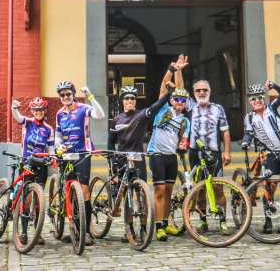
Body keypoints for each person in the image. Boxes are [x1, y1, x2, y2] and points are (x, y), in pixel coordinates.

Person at [108, 78, 173, 242]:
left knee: (141, 194)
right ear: (122, 101)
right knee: (126, 196)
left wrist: (168, 93)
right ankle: (128, 228)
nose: (130, 101)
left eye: (132, 98)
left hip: (137, 159)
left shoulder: (141, 115)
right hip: (122, 160)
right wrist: (112, 167)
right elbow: (110, 144)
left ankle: (143, 227)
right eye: (127, 98)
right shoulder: (116, 120)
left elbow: (156, 106)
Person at [172, 55, 231, 235]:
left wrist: (227, 152)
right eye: (198, 90)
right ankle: (203, 220)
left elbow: (225, 132)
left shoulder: (218, 108)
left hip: (214, 153)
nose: (202, 93)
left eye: (205, 90)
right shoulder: (190, 106)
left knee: (217, 187)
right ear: (194, 92)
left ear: (210, 91)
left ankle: (223, 221)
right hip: (195, 153)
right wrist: (179, 70)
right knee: (199, 188)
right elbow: (180, 90)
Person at [242, 81, 280, 234]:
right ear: (250, 101)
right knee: (269, 186)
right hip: (270, 154)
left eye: (260, 97)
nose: (257, 101)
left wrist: (274, 86)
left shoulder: (274, 108)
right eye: (253, 98)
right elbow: (248, 133)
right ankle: (268, 221)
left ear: (264, 98)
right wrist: (245, 142)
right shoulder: (249, 117)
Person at [54, 80, 105, 245]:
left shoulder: (83, 108)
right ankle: (72, 227)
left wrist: (90, 96)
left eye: (68, 94)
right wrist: (58, 146)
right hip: (66, 155)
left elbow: (100, 115)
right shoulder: (59, 114)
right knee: (68, 191)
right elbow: (58, 135)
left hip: (83, 153)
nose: (65, 97)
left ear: (73, 94)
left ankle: (86, 230)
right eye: (62, 95)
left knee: (84, 192)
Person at [147, 75, 191, 242]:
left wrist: (183, 144)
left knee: (168, 192)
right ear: (171, 100)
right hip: (156, 154)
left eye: (183, 100)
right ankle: (158, 226)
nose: (180, 102)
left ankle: (165, 223)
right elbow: (162, 88)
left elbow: (184, 140)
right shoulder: (163, 109)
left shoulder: (185, 121)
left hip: (171, 157)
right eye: (177, 99)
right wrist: (172, 71)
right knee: (159, 191)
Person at [11, 96, 53, 245]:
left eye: (41, 109)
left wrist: (53, 158)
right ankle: (23, 232)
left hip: (41, 164)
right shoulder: (27, 123)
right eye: (35, 110)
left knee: (38, 200)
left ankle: (38, 232)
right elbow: (18, 117)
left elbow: (51, 147)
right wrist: (14, 107)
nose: (38, 112)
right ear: (32, 111)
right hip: (27, 162)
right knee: (27, 198)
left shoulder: (49, 129)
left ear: (44, 110)